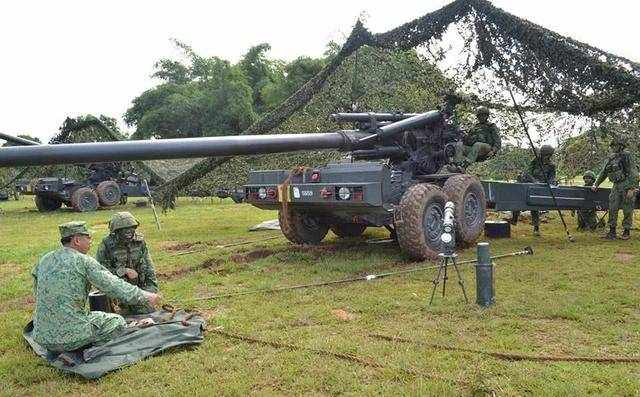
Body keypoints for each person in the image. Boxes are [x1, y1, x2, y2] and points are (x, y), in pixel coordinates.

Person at [32, 221, 160, 353]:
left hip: (42, 337)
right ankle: (89, 343)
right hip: (70, 340)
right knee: (116, 321)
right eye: (88, 237)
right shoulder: (83, 261)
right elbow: (113, 286)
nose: (90, 241)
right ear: (76, 240)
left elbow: (38, 293)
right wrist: (145, 296)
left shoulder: (44, 259)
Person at [96, 212, 158, 314]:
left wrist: (149, 292)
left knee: (146, 314)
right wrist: (123, 271)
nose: (129, 232)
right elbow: (101, 273)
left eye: (131, 228)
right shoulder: (107, 245)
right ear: (116, 231)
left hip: (138, 290)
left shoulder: (140, 242)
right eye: (124, 229)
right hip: (117, 292)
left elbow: (149, 269)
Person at [592, 137, 639, 240]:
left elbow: (634, 172)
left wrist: (632, 188)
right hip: (616, 186)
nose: (613, 147)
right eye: (612, 146)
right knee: (612, 207)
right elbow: (604, 172)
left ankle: (626, 231)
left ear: (621, 146)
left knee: (627, 209)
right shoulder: (611, 157)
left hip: (627, 185)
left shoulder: (627, 156)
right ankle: (612, 232)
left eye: (615, 145)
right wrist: (596, 184)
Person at [510, 145, 557, 236]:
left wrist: (550, 183)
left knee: (535, 205)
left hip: (540, 187)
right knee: (518, 201)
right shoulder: (535, 161)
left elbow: (552, 178)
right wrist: (534, 181)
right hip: (529, 184)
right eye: (545, 155)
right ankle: (514, 219)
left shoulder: (551, 166)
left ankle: (536, 228)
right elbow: (528, 172)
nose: (546, 157)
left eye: (548, 155)